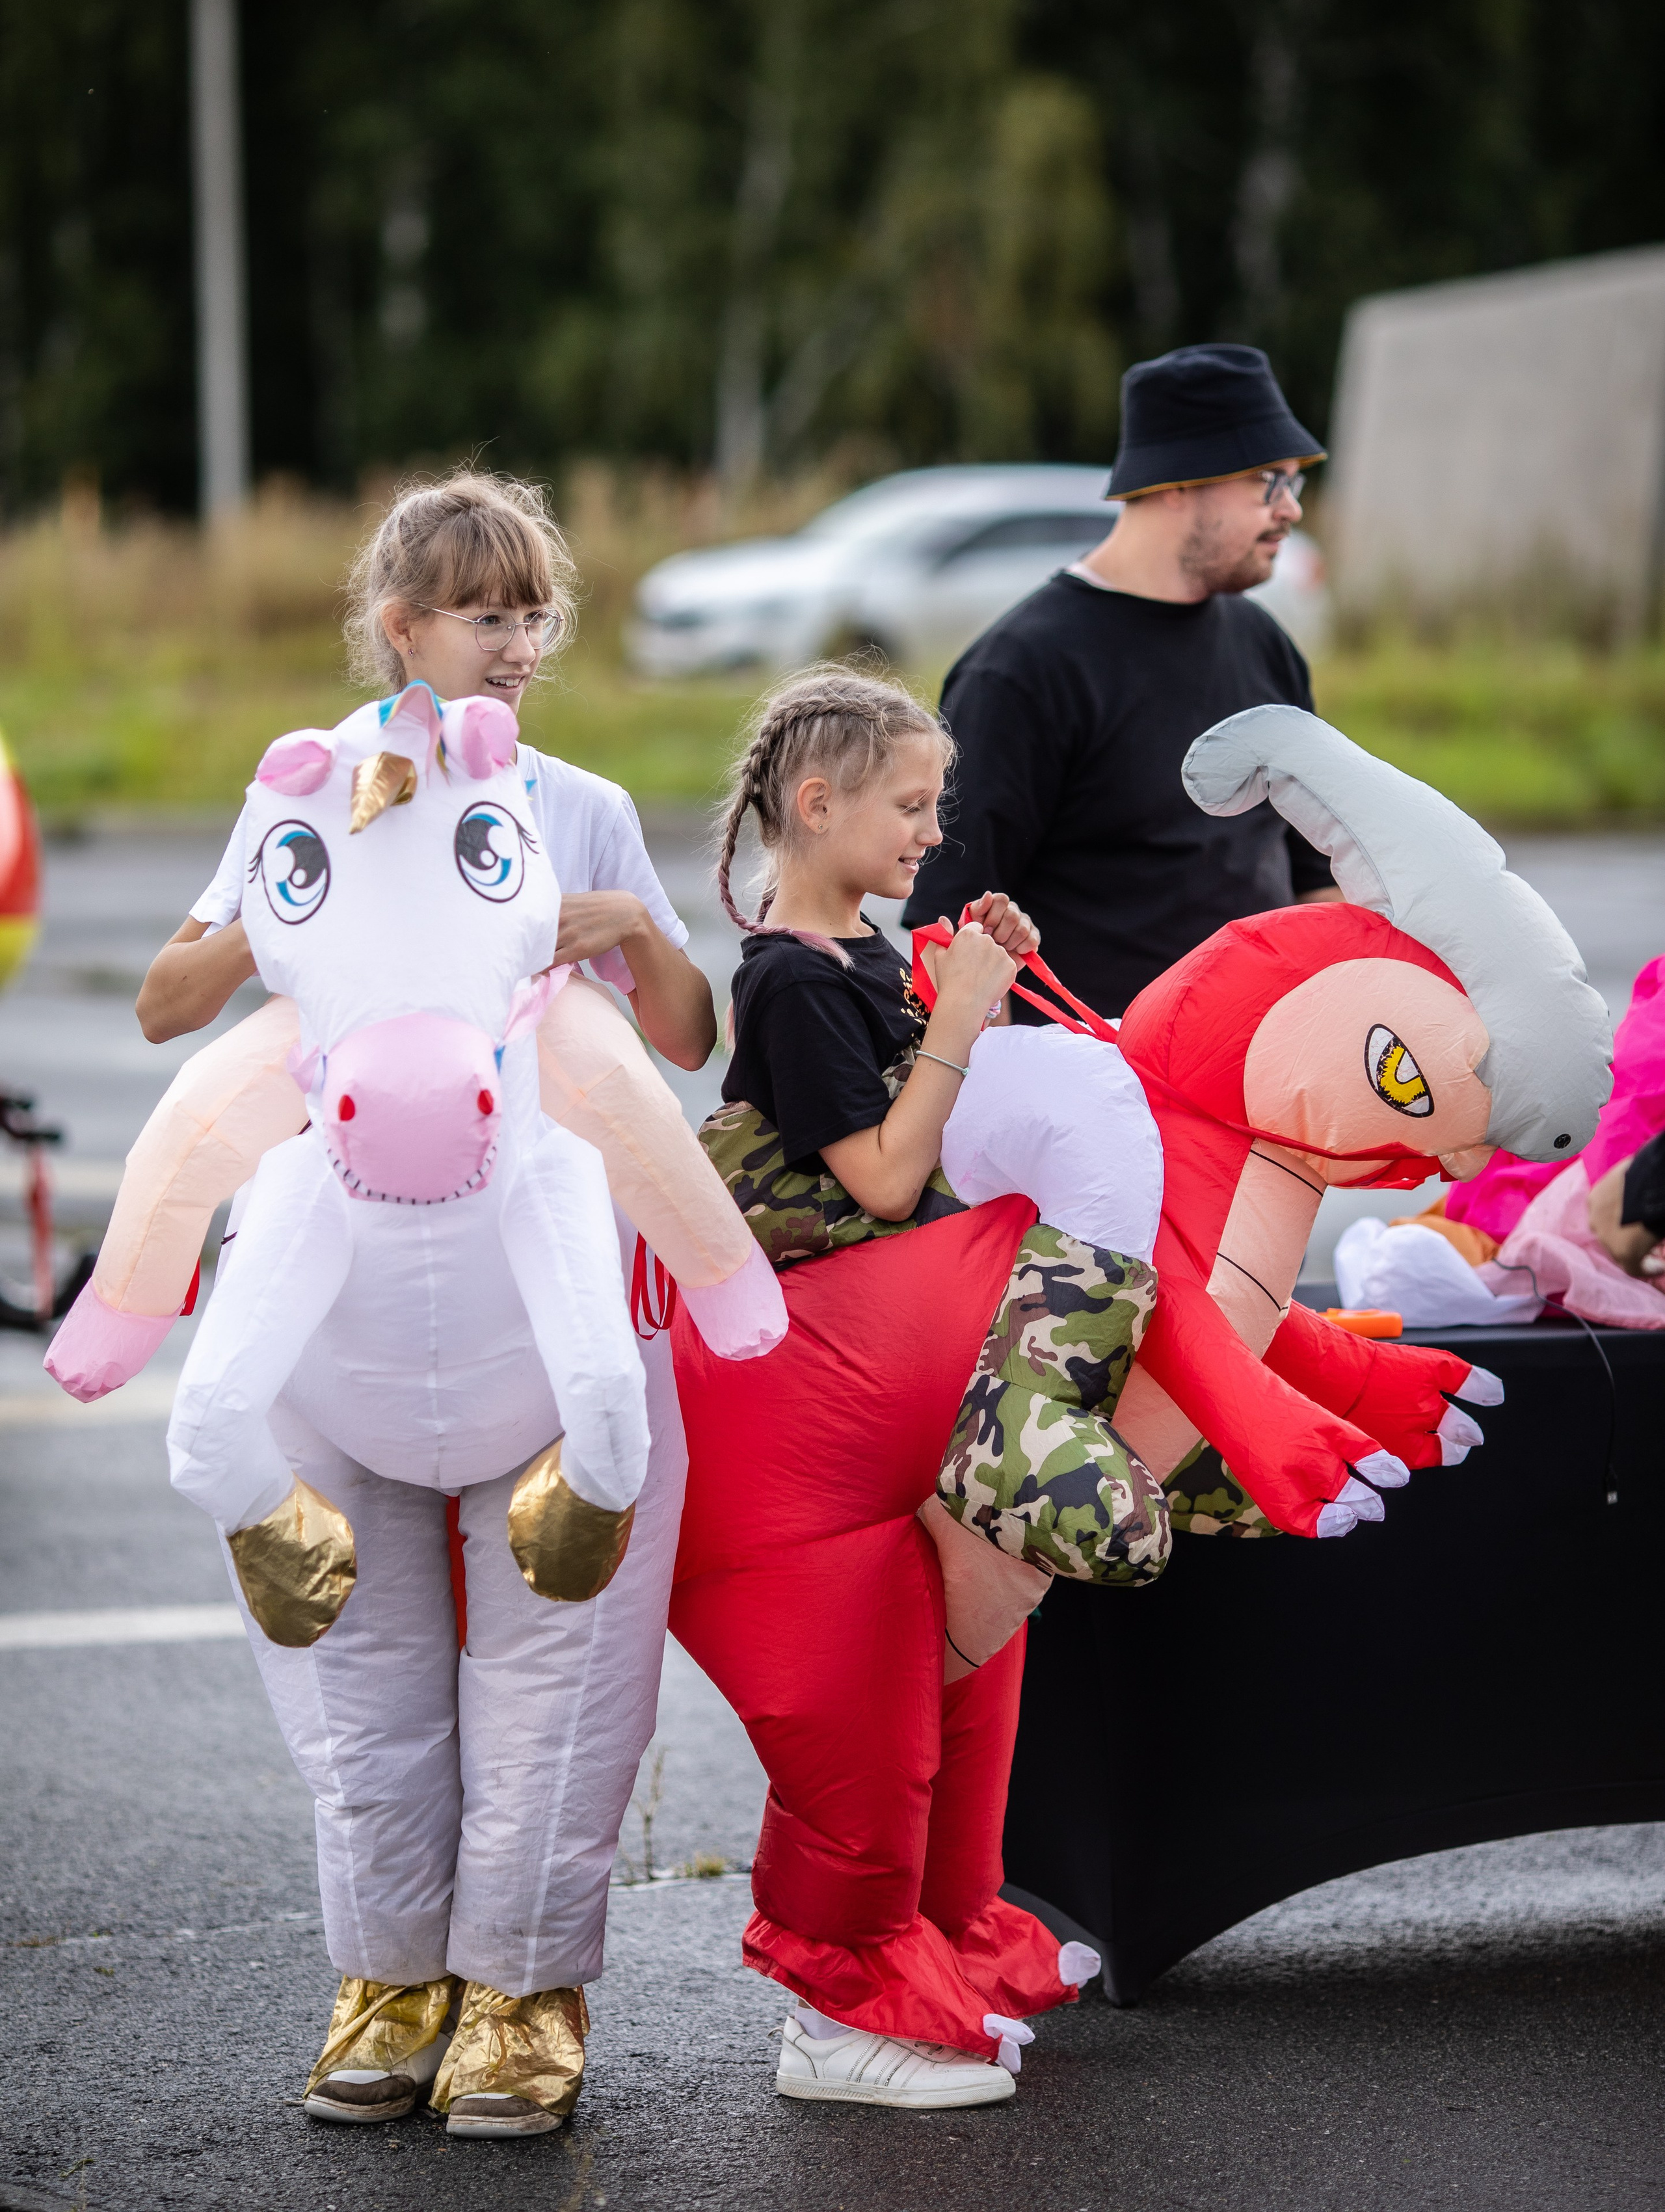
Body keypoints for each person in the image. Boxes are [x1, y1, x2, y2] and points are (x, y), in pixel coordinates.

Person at [134, 473, 716, 2139]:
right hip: (339, 1308)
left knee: (565, 1672)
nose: (519, 639)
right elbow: (175, 997)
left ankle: (524, 1996)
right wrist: (296, 894)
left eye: (534, 607)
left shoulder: (580, 800)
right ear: (402, 626)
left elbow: (685, 1031)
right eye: (485, 610)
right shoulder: (303, 784)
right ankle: (386, 1981)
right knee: (355, 1674)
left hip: (548, 1313)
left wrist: (607, 922)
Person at [670, 668, 1167, 2113]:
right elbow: (884, 1177)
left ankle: (942, 1950)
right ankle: (838, 2009)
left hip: (924, 1389)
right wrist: (956, 1021)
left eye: (936, 803)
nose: (929, 832)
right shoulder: (785, 981)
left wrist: (972, 980)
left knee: (969, 1696)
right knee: (873, 1718)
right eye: (907, 804)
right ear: (813, 806)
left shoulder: (872, 959)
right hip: (818, 1397)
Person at [901, 342, 1339, 1018]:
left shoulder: (1264, 645)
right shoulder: (1021, 671)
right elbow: (950, 936)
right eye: (1267, 482)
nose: (1291, 510)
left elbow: (1317, 882)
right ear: (1176, 483)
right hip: (1105, 1090)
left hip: (1269, 1078)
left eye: (1294, 484)